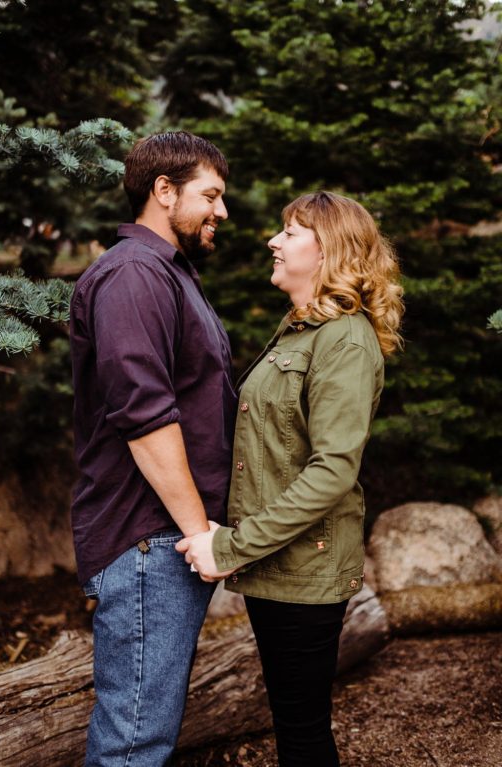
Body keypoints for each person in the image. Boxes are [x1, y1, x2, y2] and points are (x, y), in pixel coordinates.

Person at [177, 191, 404, 766]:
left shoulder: (345, 340)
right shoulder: (302, 328)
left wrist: (230, 546)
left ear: (329, 252)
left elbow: (331, 472)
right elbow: (275, 448)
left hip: (306, 567)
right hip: (281, 563)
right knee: (294, 722)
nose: (273, 241)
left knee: (302, 732)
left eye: (292, 233)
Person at [68, 131, 238, 765]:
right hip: (150, 539)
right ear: (164, 192)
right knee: (134, 743)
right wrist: (202, 534)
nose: (222, 212)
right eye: (211, 196)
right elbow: (144, 419)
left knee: (147, 734)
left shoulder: (167, 275)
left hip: (169, 540)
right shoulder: (135, 275)